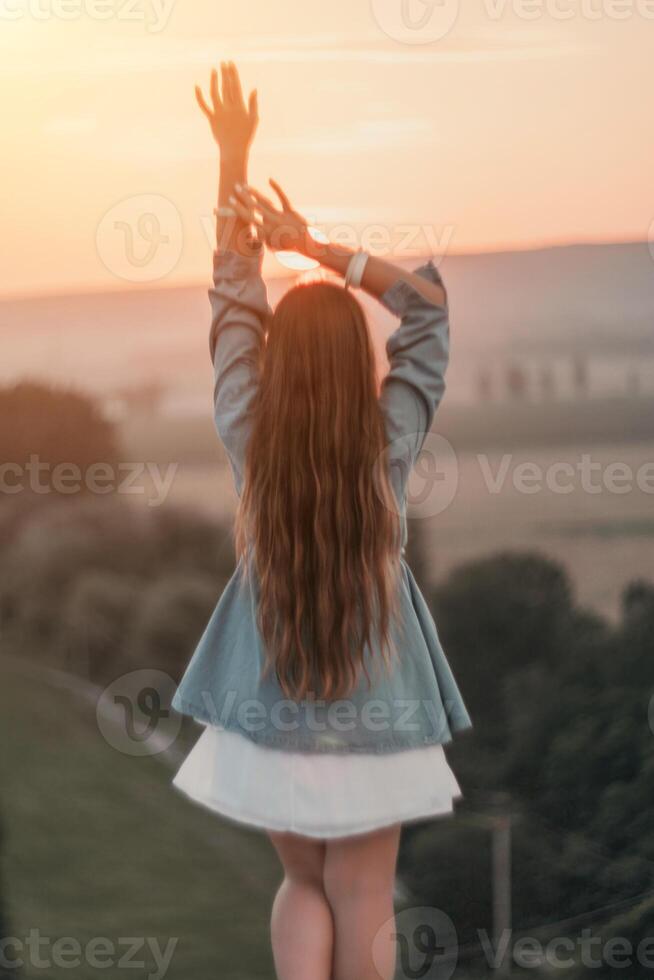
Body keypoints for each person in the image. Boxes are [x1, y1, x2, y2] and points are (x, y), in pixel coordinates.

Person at [172, 62, 472, 980]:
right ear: (356, 367)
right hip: (378, 702)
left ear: (275, 368)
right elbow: (428, 310)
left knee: (304, 884)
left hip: (270, 703)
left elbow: (231, 296)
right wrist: (317, 250)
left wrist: (231, 160)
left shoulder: (248, 432)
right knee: (363, 893)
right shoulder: (388, 439)